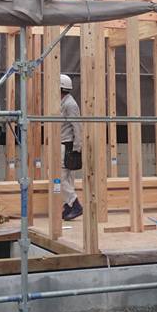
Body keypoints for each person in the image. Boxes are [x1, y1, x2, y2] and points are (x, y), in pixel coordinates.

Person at [60, 74, 83, 221]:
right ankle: (68, 205)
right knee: (66, 178)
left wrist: (77, 147)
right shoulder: (63, 102)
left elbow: (77, 126)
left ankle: (75, 204)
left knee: (58, 177)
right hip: (63, 144)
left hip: (67, 145)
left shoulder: (70, 104)